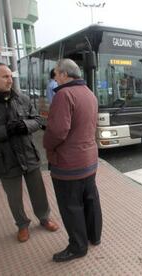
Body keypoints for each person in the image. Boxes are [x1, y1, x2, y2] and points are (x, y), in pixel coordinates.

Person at [0, 62, 59, 243]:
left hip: (28, 153)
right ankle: (22, 225)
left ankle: (44, 218)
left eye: (11, 76)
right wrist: (6, 130)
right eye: (5, 76)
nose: (10, 80)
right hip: (3, 159)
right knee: (14, 196)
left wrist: (25, 125)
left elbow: (37, 119)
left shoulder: (22, 98)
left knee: (38, 191)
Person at [43, 59, 102, 262]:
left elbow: (57, 131)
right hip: (89, 159)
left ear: (64, 75)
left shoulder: (63, 94)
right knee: (90, 199)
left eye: (56, 73)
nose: (55, 77)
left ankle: (78, 246)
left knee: (71, 205)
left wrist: (47, 145)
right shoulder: (89, 93)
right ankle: (94, 236)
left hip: (68, 163)